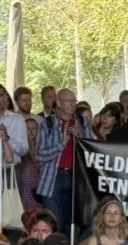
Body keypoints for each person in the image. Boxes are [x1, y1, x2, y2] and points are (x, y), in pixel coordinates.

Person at [35, 88, 94, 230]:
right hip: (53, 179)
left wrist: (79, 137)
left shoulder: (83, 122)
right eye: (68, 100)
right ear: (59, 103)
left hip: (77, 177)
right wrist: (61, 144)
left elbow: (92, 150)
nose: (72, 104)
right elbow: (39, 156)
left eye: (74, 100)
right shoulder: (47, 124)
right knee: (52, 224)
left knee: (73, 226)